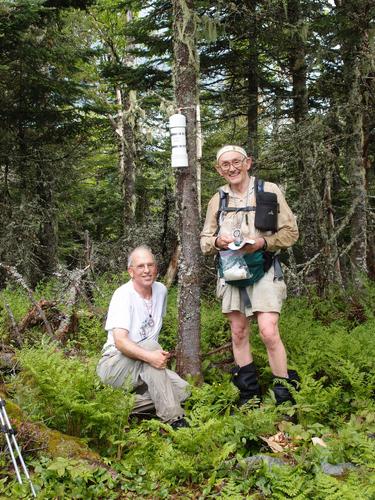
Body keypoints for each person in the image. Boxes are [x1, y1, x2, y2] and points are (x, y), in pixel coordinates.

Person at [200, 145, 299, 406]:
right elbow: (204, 241)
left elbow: (291, 233)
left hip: (264, 267)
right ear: (218, 170)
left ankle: (284, 396)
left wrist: (262, 244)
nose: (232, 168)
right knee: (239, 332)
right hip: (231, 272)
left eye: (236, 162)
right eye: (225, 165)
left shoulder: (269, 191)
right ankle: (249, 397)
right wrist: (218, 243)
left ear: (248, 163)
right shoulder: (217, 199)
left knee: (268, 331)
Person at [96, 245, 190, 428]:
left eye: (150, 265)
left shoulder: (161, 291)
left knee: (183, 391)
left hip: (144, 365)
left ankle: (120, 406)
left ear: (156, 268)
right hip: (114, 365)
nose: (147, 271)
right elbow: (121, 341)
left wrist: (152, 358)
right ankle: (175, 419)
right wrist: (151, 356)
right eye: (140, 266)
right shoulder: (123, 295)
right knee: (151, 346)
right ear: (131, 272)